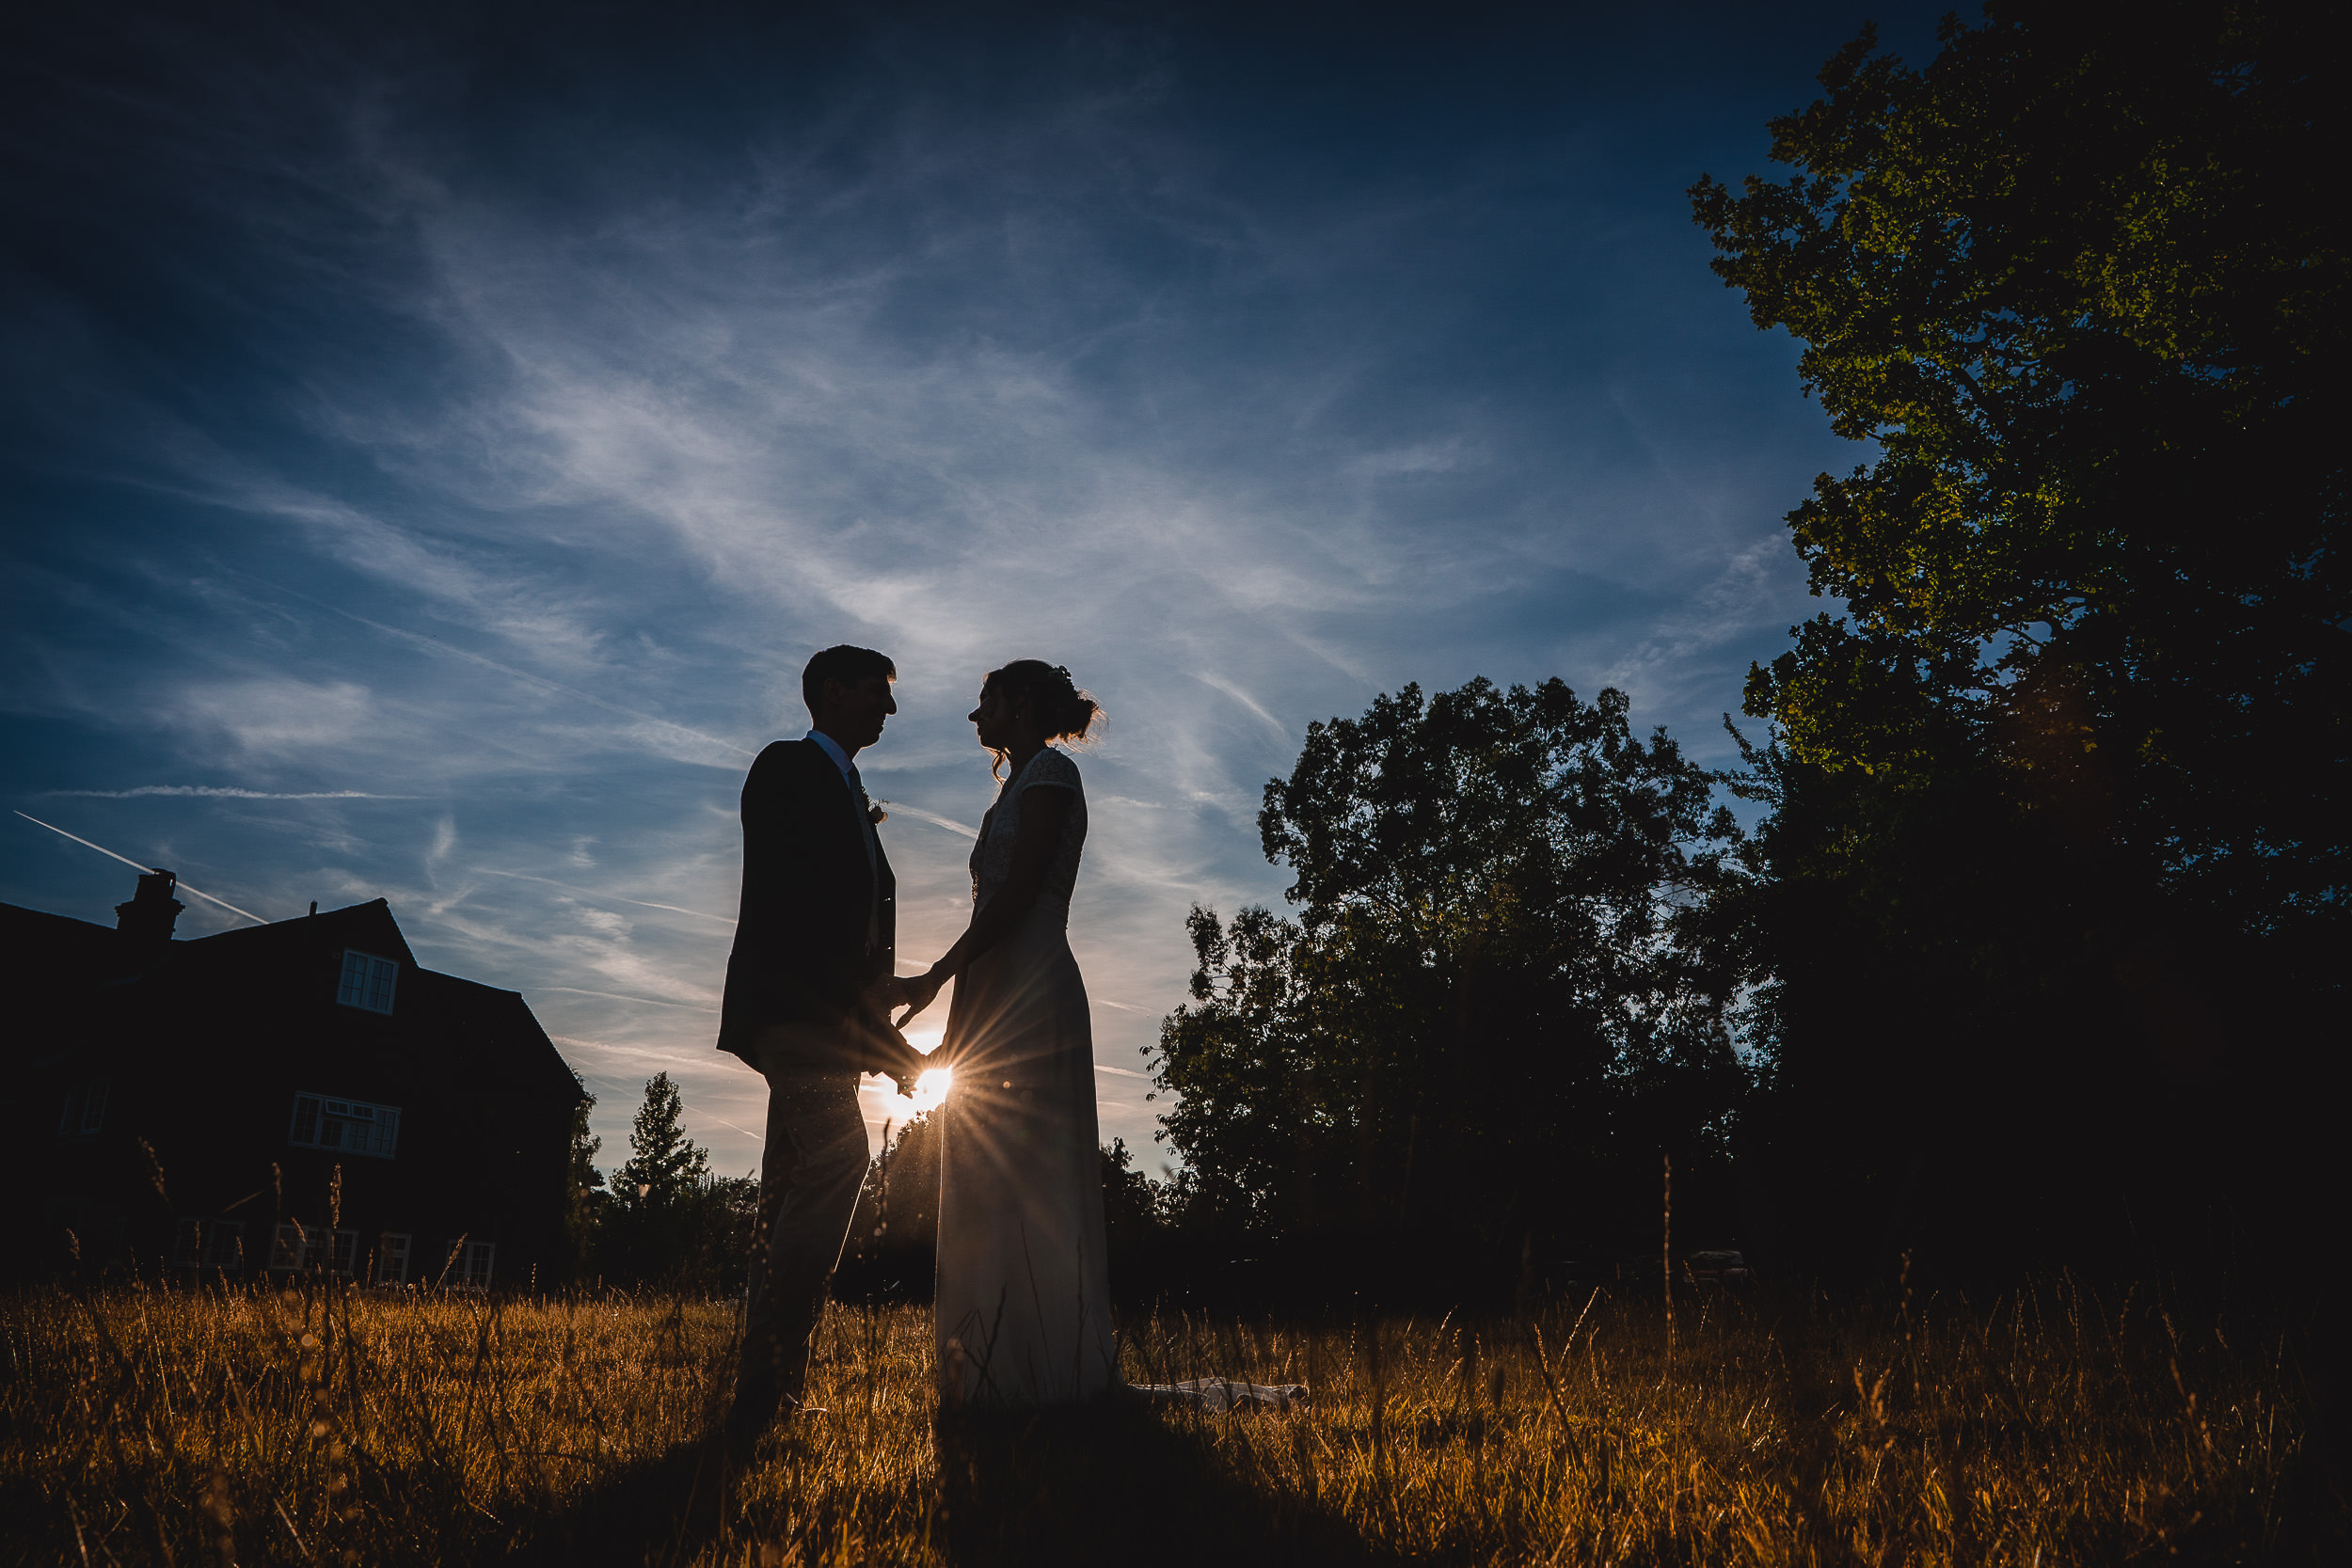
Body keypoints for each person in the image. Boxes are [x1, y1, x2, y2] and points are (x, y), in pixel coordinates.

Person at [894, 659, 1119, 1403]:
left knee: (1029, 1172)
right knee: (986, 1171)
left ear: (1018, 704)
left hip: (1032, 983)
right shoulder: (1016, 787)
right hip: (994, 982)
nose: (973, 715)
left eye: (984, 700)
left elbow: (1019, 894)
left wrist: (936, 975)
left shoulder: (1052, 773)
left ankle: (1047, 1368)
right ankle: (989, 1363)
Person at [720, 643, 928, 1446]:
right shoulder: (788, 770)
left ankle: (762, 1391)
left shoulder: (847, 789)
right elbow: (802, 912)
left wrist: (880, 1009)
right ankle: (772, 1377)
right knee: (840, 1161)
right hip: (799, 1017)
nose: (890, 708)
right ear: (833, 692)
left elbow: (851, 918)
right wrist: (869, 1030)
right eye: (879, 692)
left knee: (784, 1193)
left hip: (824, 1019)